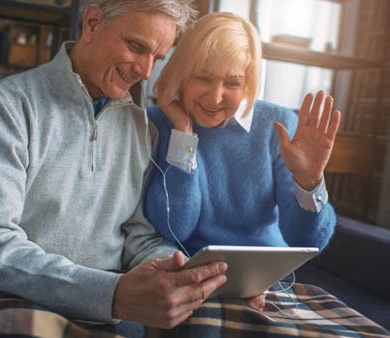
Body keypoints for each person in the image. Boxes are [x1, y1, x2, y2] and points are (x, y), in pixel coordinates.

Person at [0, 0, 230, 330]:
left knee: (216, 319)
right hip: (12, 295)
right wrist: (111, 293)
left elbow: (139, 238)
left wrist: (184, 277)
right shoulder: (5, 106)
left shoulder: (143, 127)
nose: (145, 71)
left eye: (157, 58)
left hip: (113, 299)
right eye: (136, 47)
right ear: (91, 23)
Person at [145, 13, 341, 261]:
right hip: (192, 273)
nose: (216, 98)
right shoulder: (158, 123)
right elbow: (174, 227)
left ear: (248, 83)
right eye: (204, 78)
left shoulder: (276, 125)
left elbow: (306, 241)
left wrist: (310, 182)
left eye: (233, 83)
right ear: (182, 74)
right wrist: (183, 135)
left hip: (267, 274)